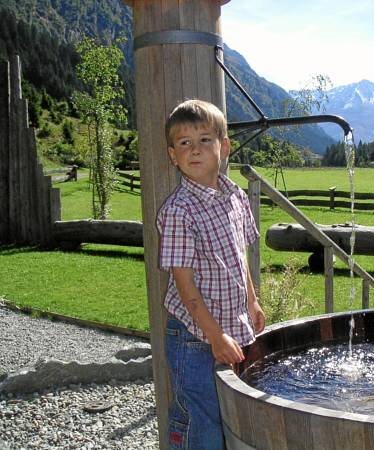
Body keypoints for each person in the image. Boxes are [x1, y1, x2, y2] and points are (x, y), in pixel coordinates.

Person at [156, 99, 265, 450]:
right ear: (173, 155)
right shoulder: (179, 211)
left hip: (229, 326)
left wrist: (252, 301)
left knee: (228, 412)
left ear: (224, 147)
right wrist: (214, 336)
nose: (195, 150)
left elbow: (239, 257)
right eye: (184, 143)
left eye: (205, 140)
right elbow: (184, 284)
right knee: (200, 417)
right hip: (194, 336)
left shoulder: (235, 197)